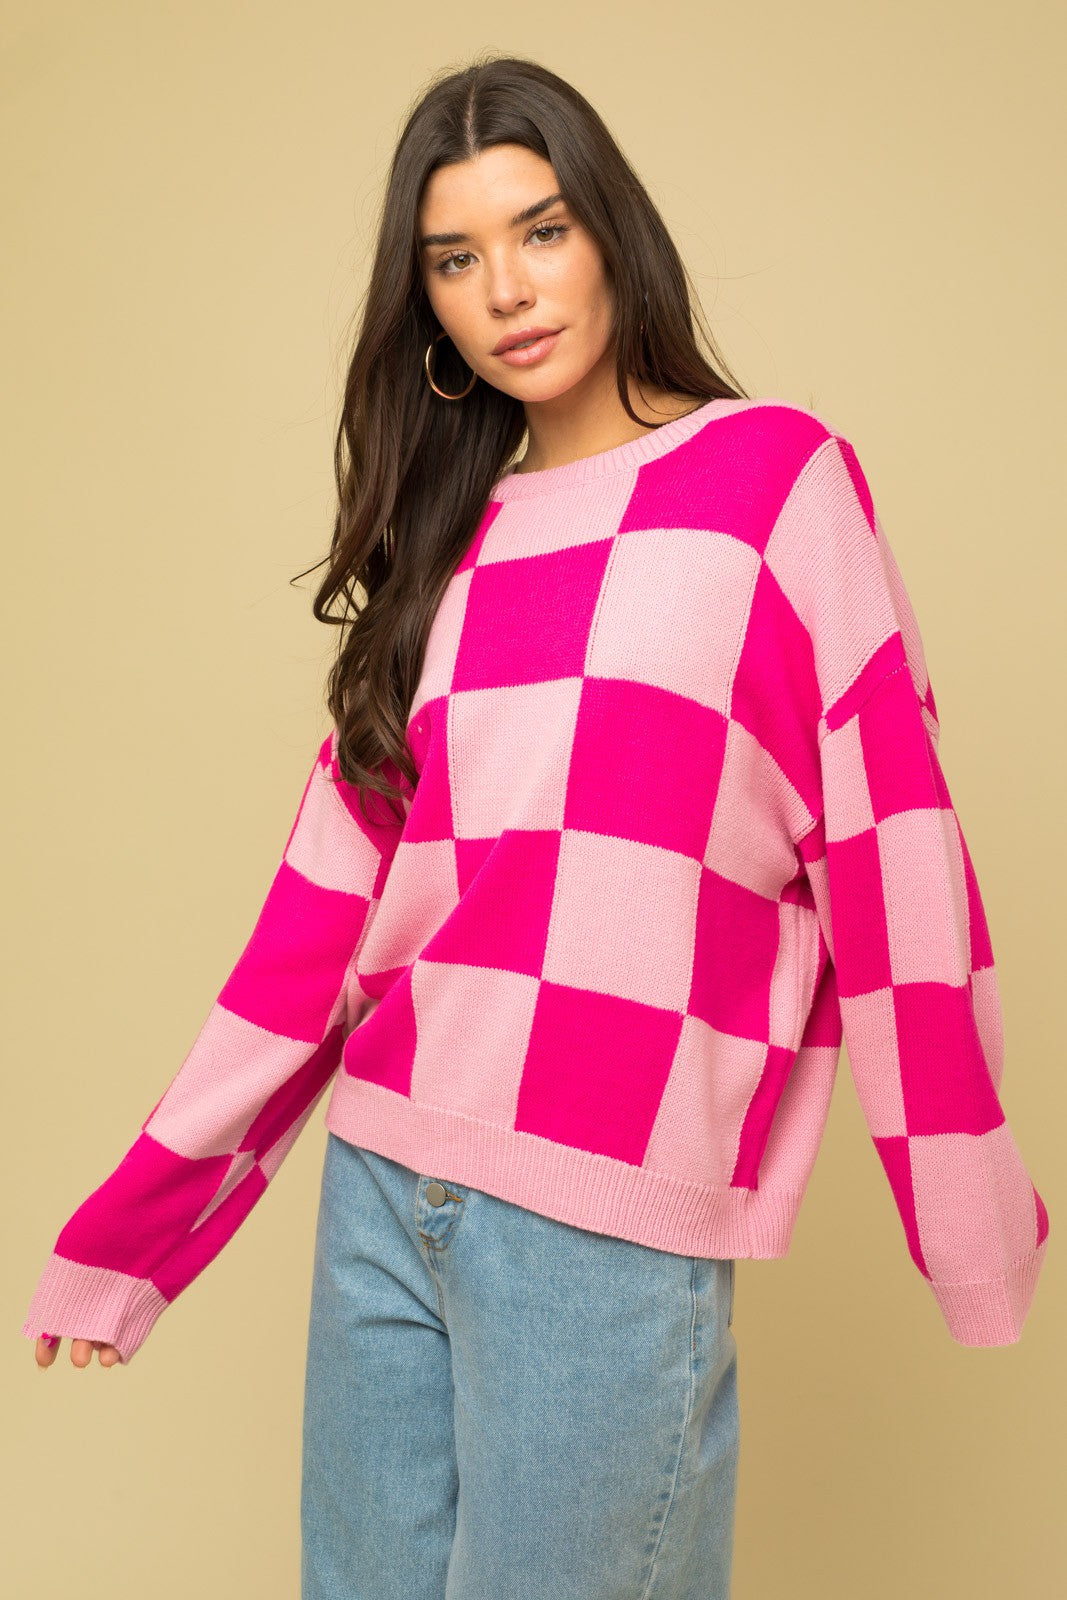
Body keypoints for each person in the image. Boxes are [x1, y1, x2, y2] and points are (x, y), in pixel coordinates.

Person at [23, 52, 1049, 1600]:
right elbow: (313, 931)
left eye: (542, 230)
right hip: (384, 1186)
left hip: (604, 1220)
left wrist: (968, 1223)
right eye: (455, 258)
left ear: (613, 233)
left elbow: (894, 852)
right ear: (425, 303)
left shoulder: (773, 484)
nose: (506, 288)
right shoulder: (452, 547)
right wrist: (136, 1233)